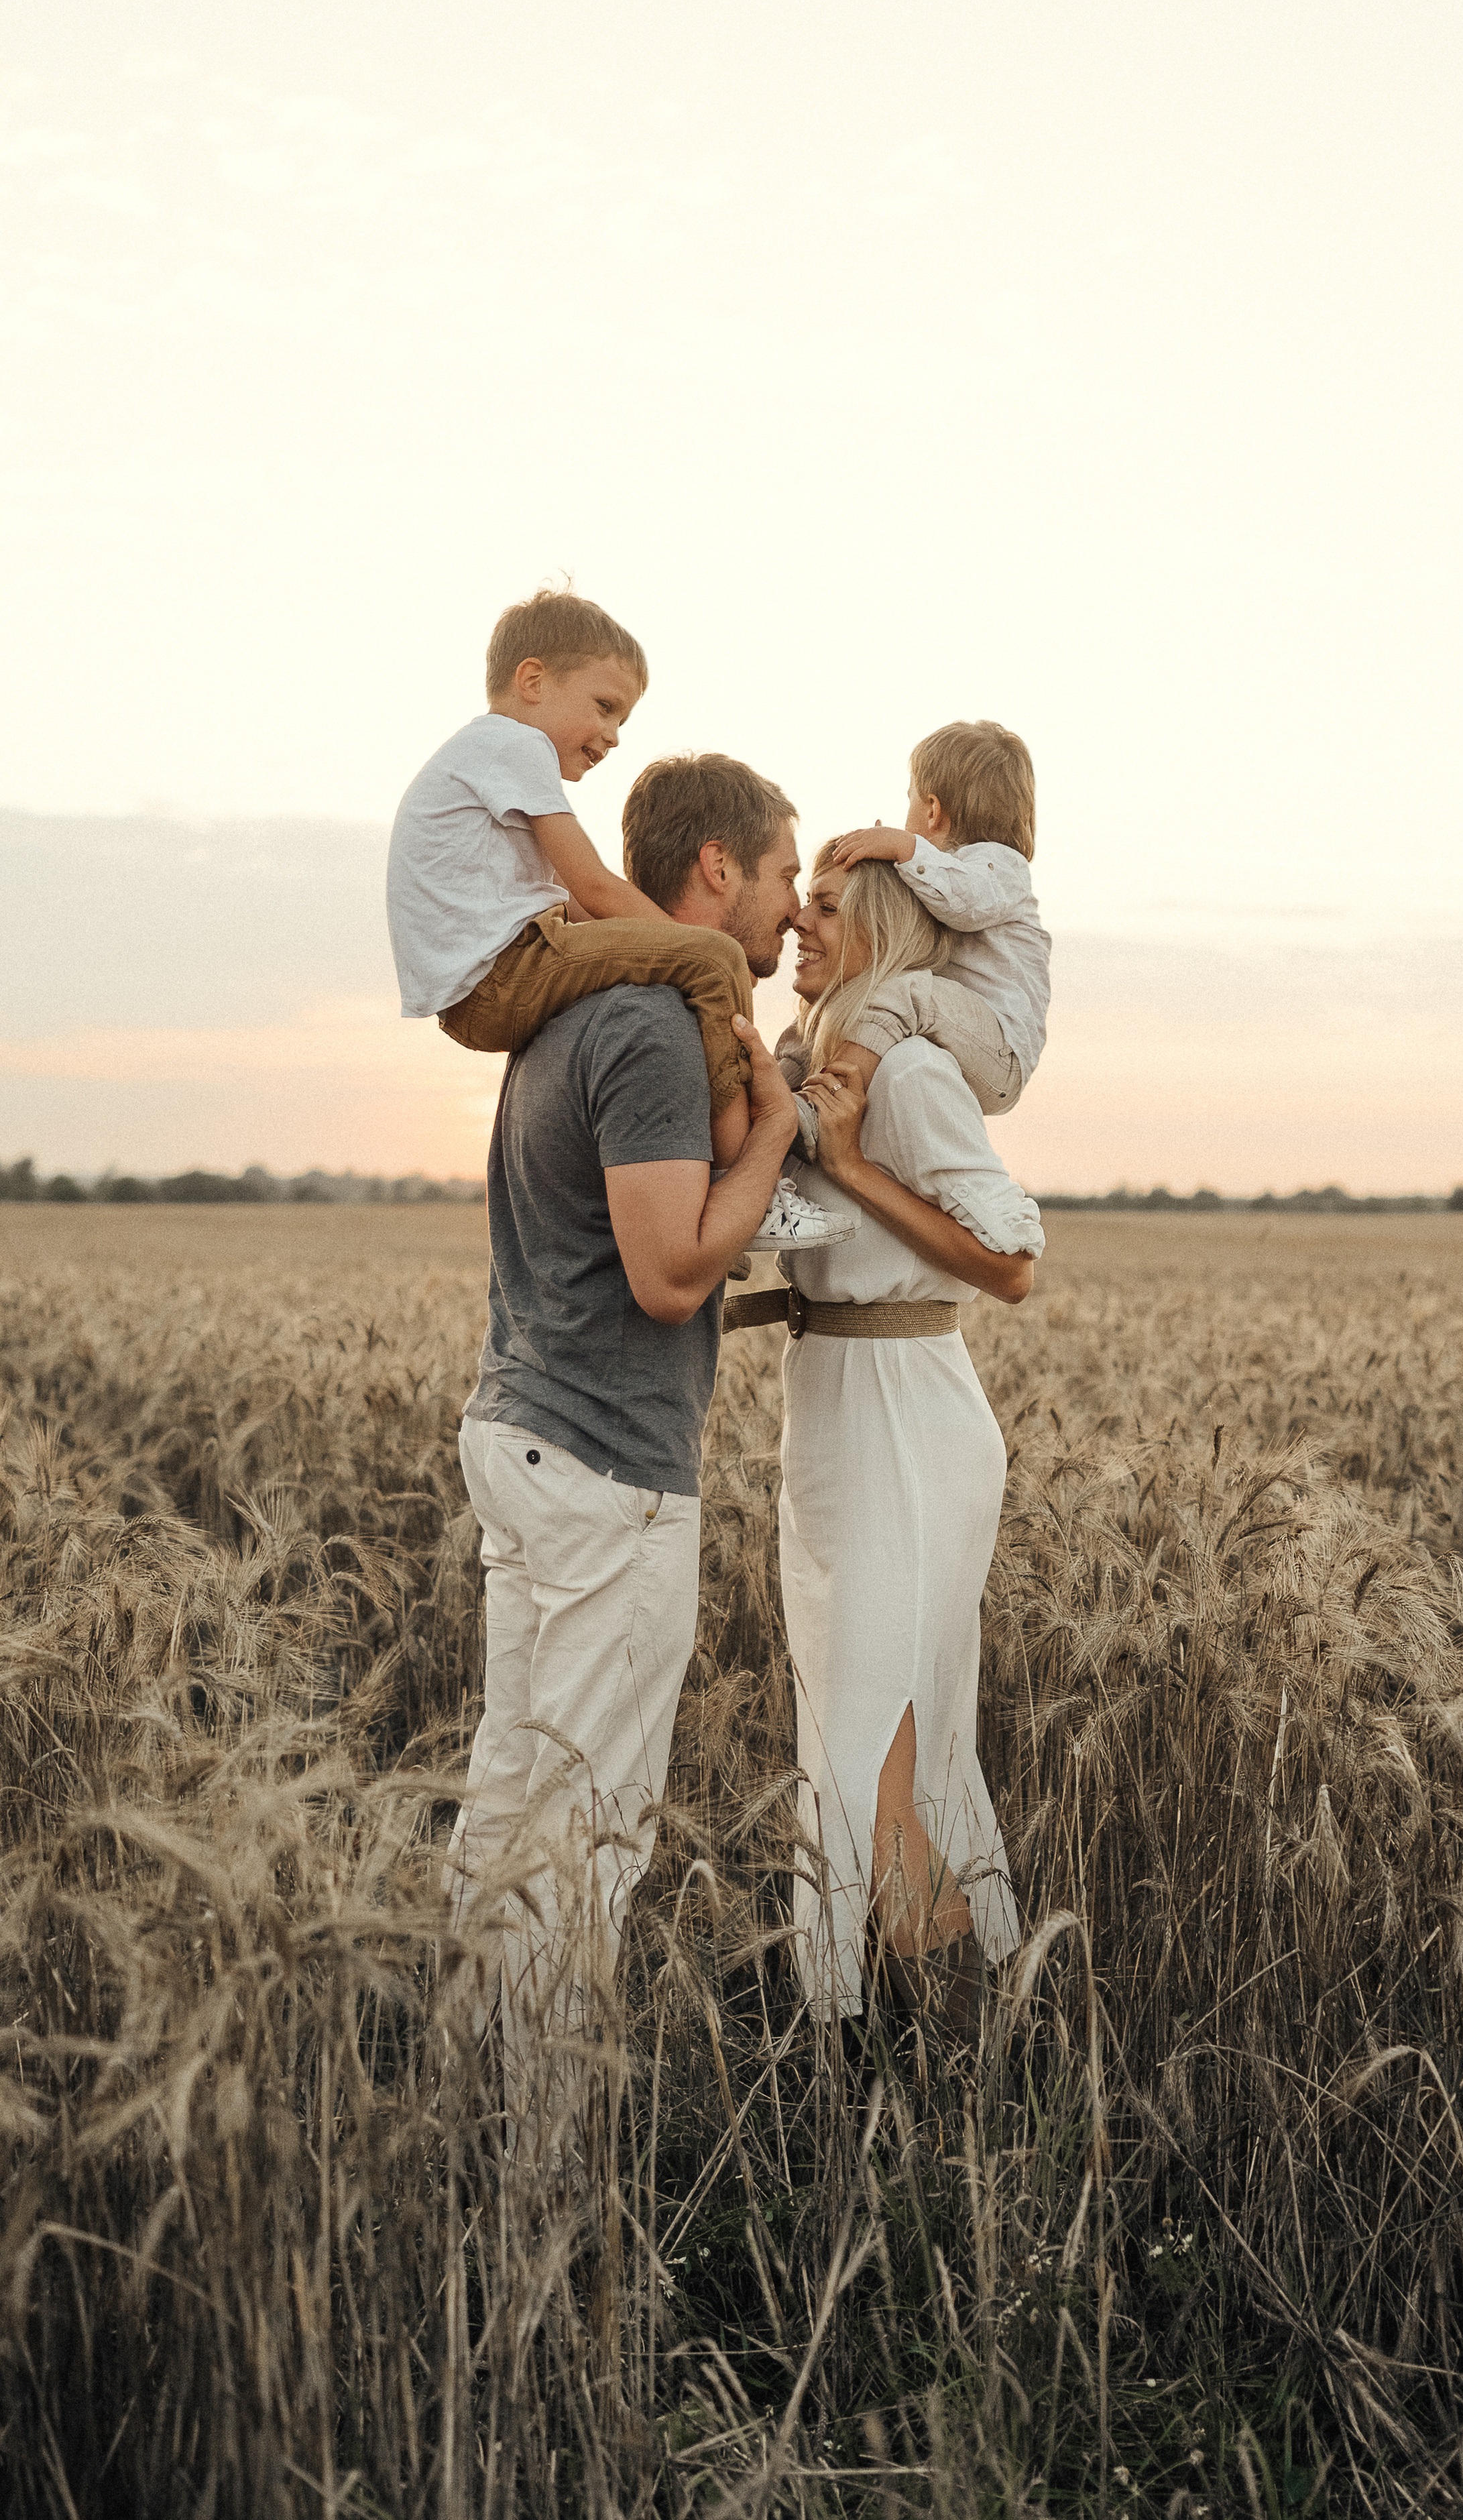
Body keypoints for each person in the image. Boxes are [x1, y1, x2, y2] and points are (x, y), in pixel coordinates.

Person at [443, 751, 805, 2166]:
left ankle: (462, 2131)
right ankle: (539, 2176)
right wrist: (771, 1136)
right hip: (602, 1469)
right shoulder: (654, 1019)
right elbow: (666, 1273)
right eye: (779, 878)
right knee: (588, 1838)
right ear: (713, 871)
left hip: (524, 1435)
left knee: (511, 1805)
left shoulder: (571, 1005)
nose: (785, 916)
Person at [728, 844, 1045, 2039]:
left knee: (893, 1734)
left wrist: (850, 1162)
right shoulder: (822, 1061)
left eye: (825, 907)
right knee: (849, 1722)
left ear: (884, 925)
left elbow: (1009, 1261)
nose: (800, 926)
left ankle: (963, 2051)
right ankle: (894, 2034)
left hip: (904, 1408)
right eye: (794, 905)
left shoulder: (908, 1071)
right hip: (834, 1394)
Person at [386, 585, 841, 1249]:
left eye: (623, 719)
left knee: (686, 960)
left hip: (483, 984)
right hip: (499, 976)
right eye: (604, 707)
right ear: (532, 680)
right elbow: (595, 888)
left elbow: (575, 901)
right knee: (712, 960)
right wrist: (688, 948)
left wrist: (653, 944)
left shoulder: (483, 763)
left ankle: (710, 1171)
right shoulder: (514, 748)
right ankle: (751, 1182)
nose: (613, 736)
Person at [780, 718, 1051, 1159]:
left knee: (903, 991)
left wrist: (904, 848)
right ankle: (780, 1082)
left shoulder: (1000, 868)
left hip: (1001, 1051)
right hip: (956, 1028)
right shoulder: (939, 876)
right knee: (851, 993)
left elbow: (965, 902)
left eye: (909, 799)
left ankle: (825, 1101)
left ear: (932, 810)